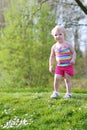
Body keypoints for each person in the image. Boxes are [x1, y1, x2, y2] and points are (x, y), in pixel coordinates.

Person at [49, 25, 76, 98]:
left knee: (67, 79)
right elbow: (52, 56)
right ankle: (56, 92)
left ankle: (68, 93)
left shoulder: (68, 44)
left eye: (60, 34)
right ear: (54, 36)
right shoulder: (54, 47)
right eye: (56, 35)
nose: (58, 36)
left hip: (68, 65)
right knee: (56, 78)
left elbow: (73, 52)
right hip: (59, 66)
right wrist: (51, 65)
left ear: (64, 34)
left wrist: (73, 59)